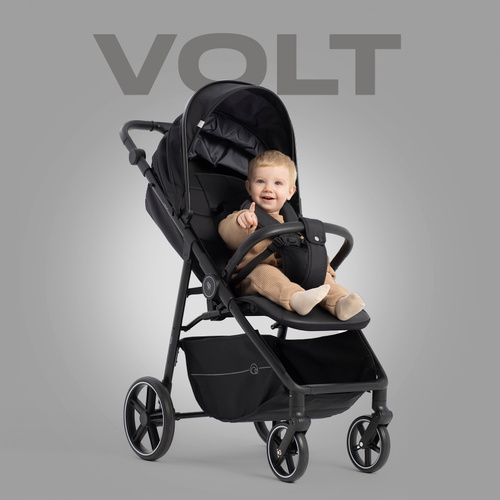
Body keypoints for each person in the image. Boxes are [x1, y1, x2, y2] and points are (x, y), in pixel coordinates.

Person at [218, 150, 365, 320]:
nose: (268, 188)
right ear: (249, 187)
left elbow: (310, 251)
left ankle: (340, 302)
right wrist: (241, 223)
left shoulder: (294, 222)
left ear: (290, 192)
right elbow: (227, 233)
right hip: (251, 275)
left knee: (321, 277)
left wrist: (323, 269)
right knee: (265, 273)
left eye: (278, 183)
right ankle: (295, 299)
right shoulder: (244, 215)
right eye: (260, 181)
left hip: (294, 270)